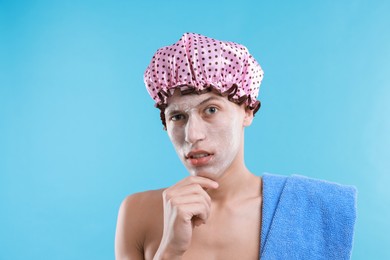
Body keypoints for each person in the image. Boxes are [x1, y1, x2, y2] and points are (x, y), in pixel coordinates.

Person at [115, 33, 356, 260]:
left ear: (248, 111)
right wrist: (170, 251)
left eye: (211, 110)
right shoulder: (138, 214)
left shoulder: (316, 209)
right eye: (177, 116)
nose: (192, 135)